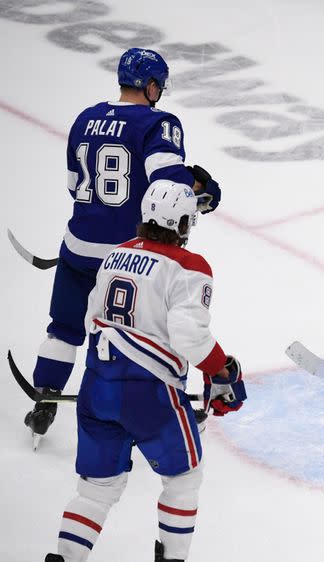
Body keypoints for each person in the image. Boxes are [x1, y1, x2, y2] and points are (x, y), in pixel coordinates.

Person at [26, 48, 222, 447]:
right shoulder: (158, 123)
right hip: (127, 258)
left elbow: (72, 183)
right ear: (151, 86)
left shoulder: (85, 118)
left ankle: (44, 397)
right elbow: (169, 184)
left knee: (64, 329)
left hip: (77, 245)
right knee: (148, 332)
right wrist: (203, 189)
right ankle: (160, 404)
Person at [44, 180, 245, 562]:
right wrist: (221, 370)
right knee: (184, 479)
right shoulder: (190, 265)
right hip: (148, 394)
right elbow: (188, 336)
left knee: (95, 490)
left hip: (95, 387)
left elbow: (92, 316)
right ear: (183, 222)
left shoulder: (115, 255)